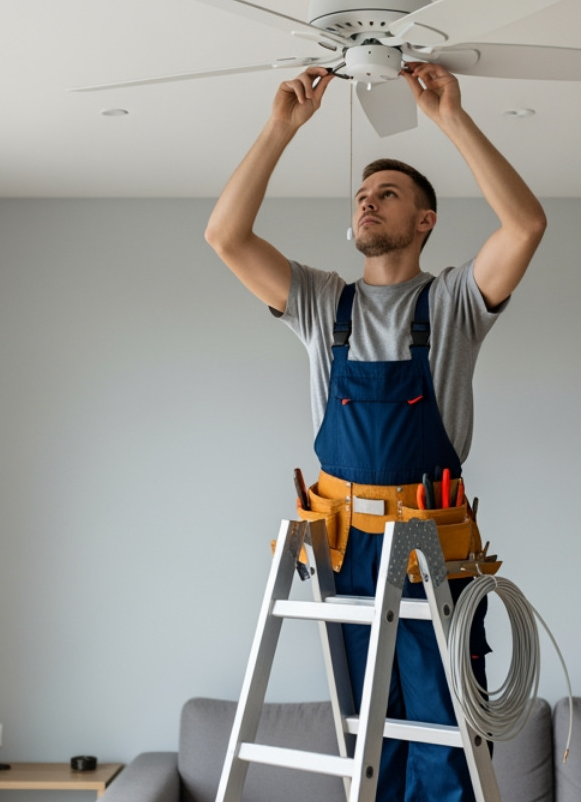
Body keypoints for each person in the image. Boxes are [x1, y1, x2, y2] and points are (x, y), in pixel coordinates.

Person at [204, 62, 546, 802]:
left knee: (446, 733)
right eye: (361, 196)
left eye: (386, 195)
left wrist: (450, 117)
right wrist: (282, 127)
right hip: (341, 549)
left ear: (423, 221)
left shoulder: (454, 301)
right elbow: (224, 235)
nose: (367, 203)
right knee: (368, 733)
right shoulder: (322, 304)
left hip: (430, 547)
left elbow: (526, 226)